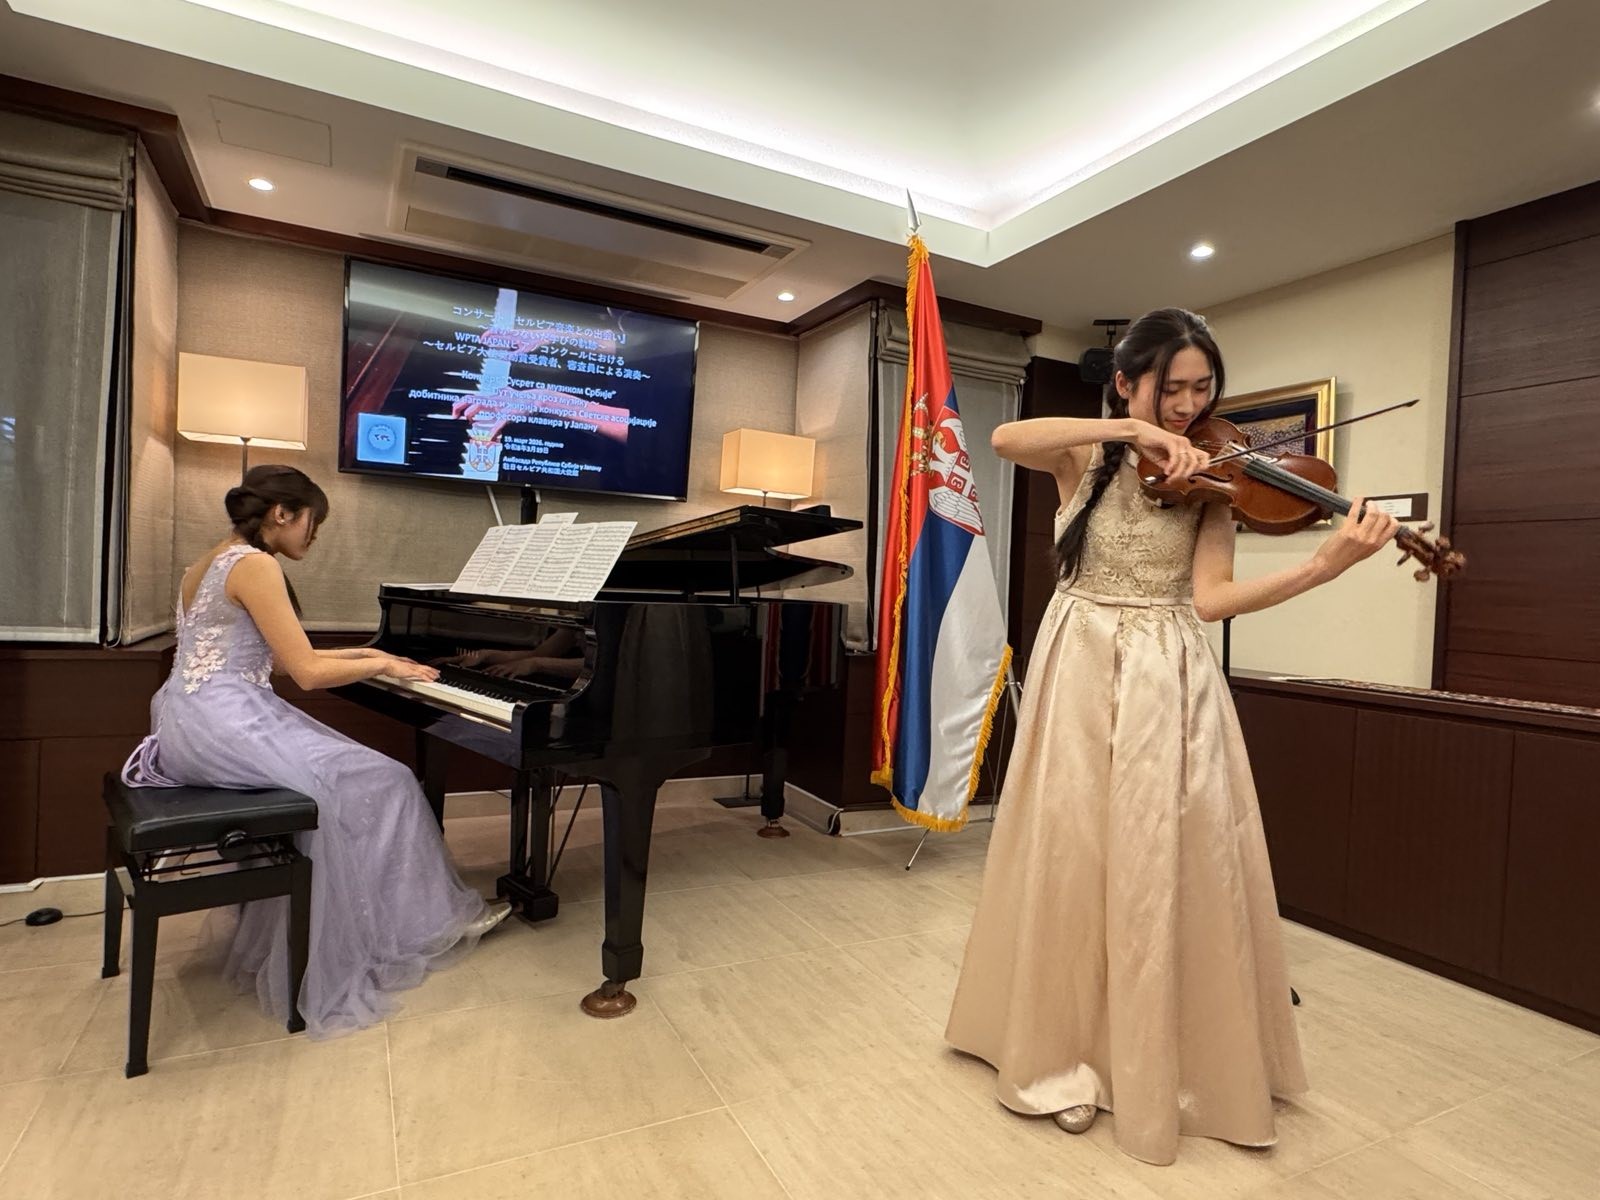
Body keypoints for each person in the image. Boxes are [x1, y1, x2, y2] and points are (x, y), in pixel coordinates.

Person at [944, 308, 1400, 1165]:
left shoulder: (1216, 479)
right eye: (1171, 388)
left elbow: (1213, 599)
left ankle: (1155, 1059)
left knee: (1164, 859)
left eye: (1203, 388)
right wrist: (1129, 431)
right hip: (1079, 657)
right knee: (1073, 853)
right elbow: (1003, 437)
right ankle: (1063, 1057)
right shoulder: (1084, 454)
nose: (1189, 407)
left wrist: (1321, 566)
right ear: (1125, 382)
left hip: (1169, 671)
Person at [122, 464, 512, 1037]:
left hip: (189, 723)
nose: (315, 535)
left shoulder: (205, 564)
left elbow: (279, 659)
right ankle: (421, 927)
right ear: (282, 513)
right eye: (313, 521)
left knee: (350, 779)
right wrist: (381, 665)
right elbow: (304, 672)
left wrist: (371, 655)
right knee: (389, 780)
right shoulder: (256, 565)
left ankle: (357, 917)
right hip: (228, 722)